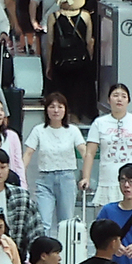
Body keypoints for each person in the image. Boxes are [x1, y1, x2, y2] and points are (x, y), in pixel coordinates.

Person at [24, 89, 86, 234]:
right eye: (52, 107)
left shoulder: (73, 130)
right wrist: (20, 175)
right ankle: (44, 248)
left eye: (60, 107)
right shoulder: (39, 130)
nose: (56, 110)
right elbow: (28, 153)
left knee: (65, 223)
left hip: (66, 178)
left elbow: (85, 152)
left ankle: (64, 249)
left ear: (65, 109)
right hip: (45, 180)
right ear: (46, 110)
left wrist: (87, 175)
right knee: (43, 223)